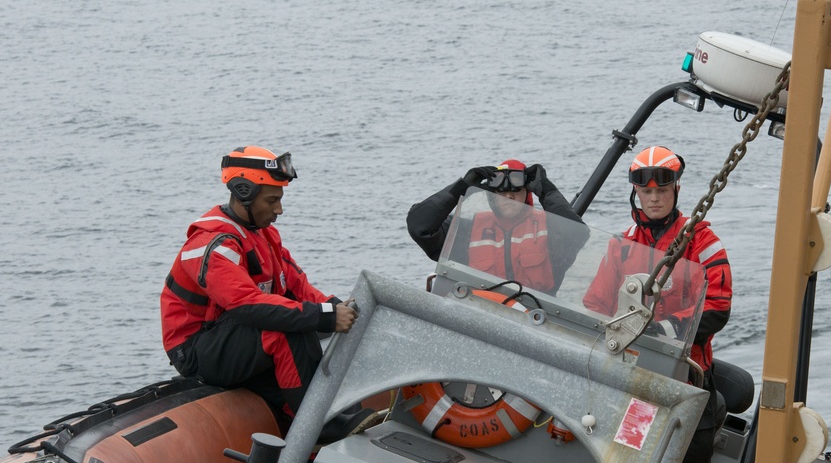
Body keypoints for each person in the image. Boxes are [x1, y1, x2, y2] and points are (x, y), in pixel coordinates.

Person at [160, 146, 373, 436]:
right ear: (244, 192)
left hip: (231, 334)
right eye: (272, 200)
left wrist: (334, 306)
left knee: (301, 317)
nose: (279, 210)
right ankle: (318, 426)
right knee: (287, 328)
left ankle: (323, 416)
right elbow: (247, 304)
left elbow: (296, 284)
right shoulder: (213, 245)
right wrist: (325, 316)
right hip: (197, 349)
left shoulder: (263, 234)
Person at [584, 145, 732, 463]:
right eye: (646, 191)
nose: (653, 198)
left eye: (661, 191)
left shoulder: (702, 241)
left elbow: (718, 308)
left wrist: (664, 333)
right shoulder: (621, 245)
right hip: (636, 382)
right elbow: (596, 305)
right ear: (637, 193)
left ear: (676, 190)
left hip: (687, 379)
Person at [407, 159, 586, 294]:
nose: (508, 196)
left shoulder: (547, 230)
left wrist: (547, 190)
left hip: (537, 319)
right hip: (480, 318)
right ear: (491, 195)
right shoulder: (468, 231)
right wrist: (460, 188)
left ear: (528, 192)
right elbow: (420, 227)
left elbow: (577, 234)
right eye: (501, 190)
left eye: (516, 189)